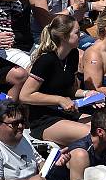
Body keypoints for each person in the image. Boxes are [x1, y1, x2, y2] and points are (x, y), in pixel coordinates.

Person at [20, 15, 89, 145]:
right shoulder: (46, 60)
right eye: (77, 32)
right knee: (92, 134)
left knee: (105, 127)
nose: (81, 35)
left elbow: (70, 91)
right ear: (64, 36)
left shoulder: (72, 55)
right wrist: (59, 100)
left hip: (66, 113)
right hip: (44, 119)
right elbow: (25, 96)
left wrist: (87, 94)